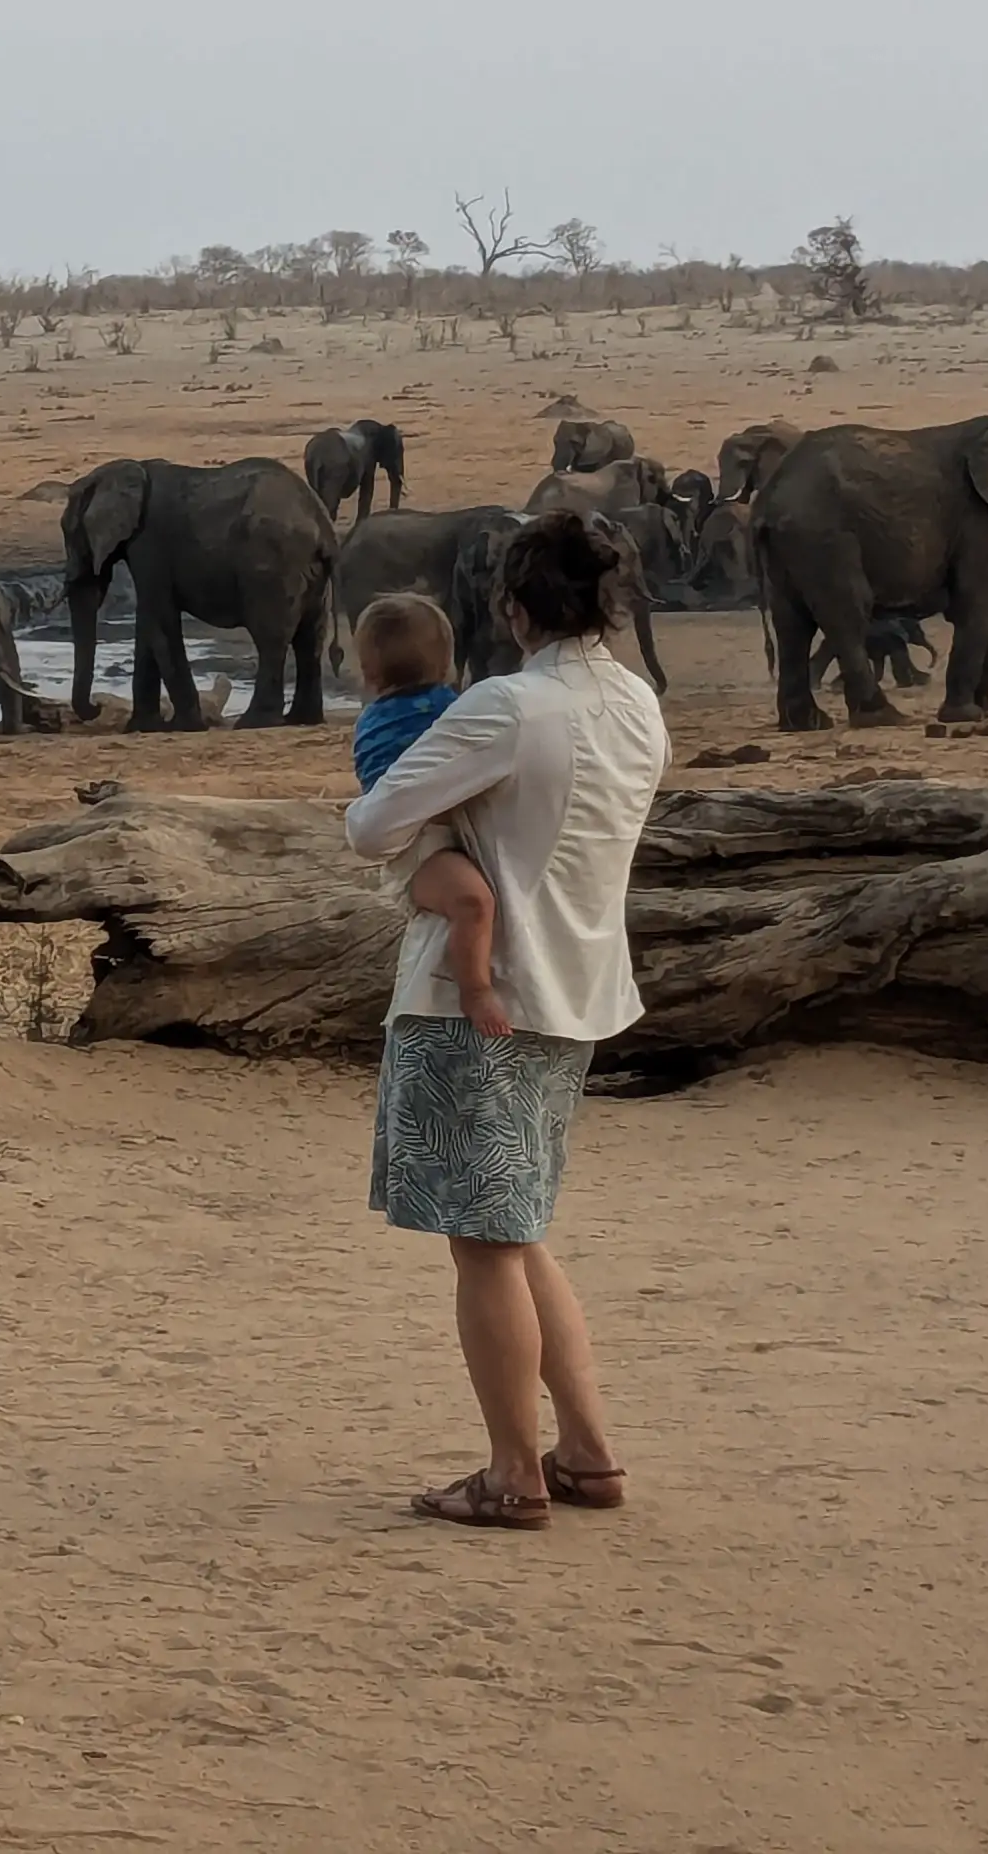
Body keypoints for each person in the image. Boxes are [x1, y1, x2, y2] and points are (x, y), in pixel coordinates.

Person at [346, 509, 667, 1530]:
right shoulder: (638, 705)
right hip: (577, 990)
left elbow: (373, 823)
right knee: (520, 1230)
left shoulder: (512, 707)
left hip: (472, 1002)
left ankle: (511, 1471)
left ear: (514, 606)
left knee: (483, 1245)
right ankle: (586, 1451)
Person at [347, 595, 496, 1018]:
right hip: (421, 847)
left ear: (369, 671)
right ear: (449, 661)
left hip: (445, 834)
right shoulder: (438, 714)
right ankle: (476, 990)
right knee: (472, 903)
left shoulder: (441, 710)